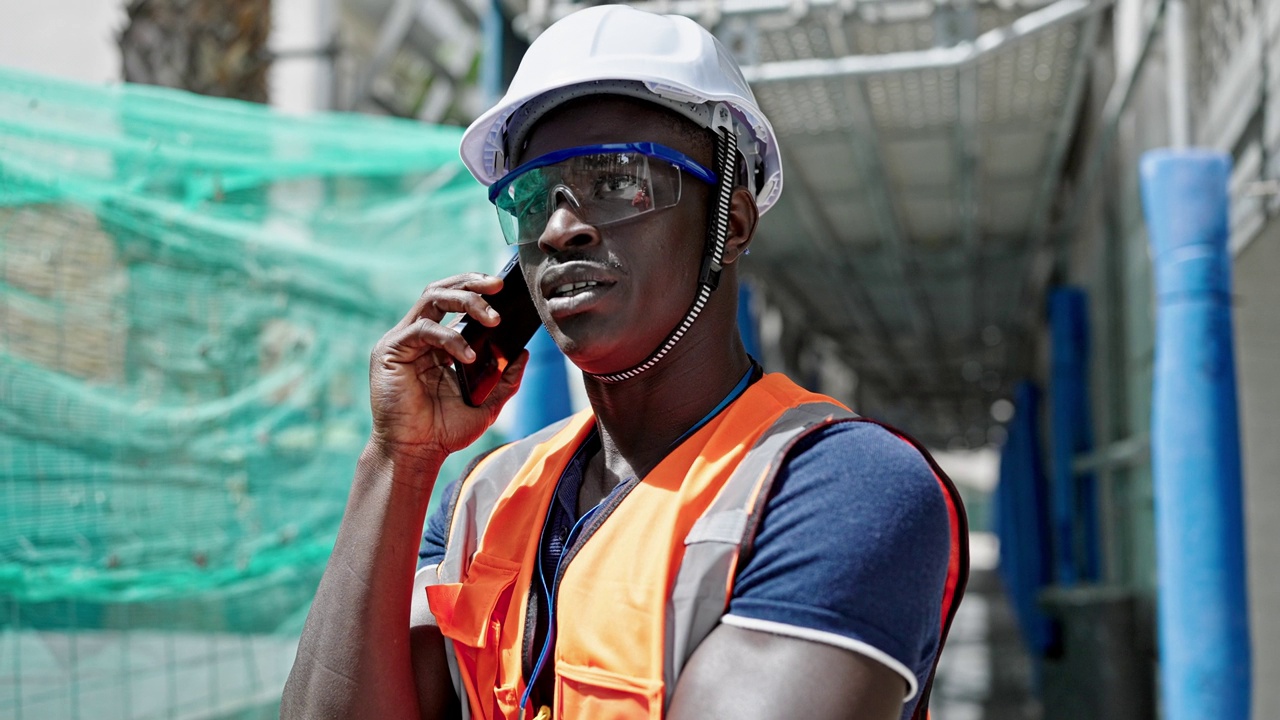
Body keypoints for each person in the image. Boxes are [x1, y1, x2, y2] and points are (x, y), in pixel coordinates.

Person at [282, 6, 967, 720]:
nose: (558, 227)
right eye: (532, 198)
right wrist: (398, 461)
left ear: (730, 224)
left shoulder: (844, 488)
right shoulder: (476, 502)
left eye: (617, 181)